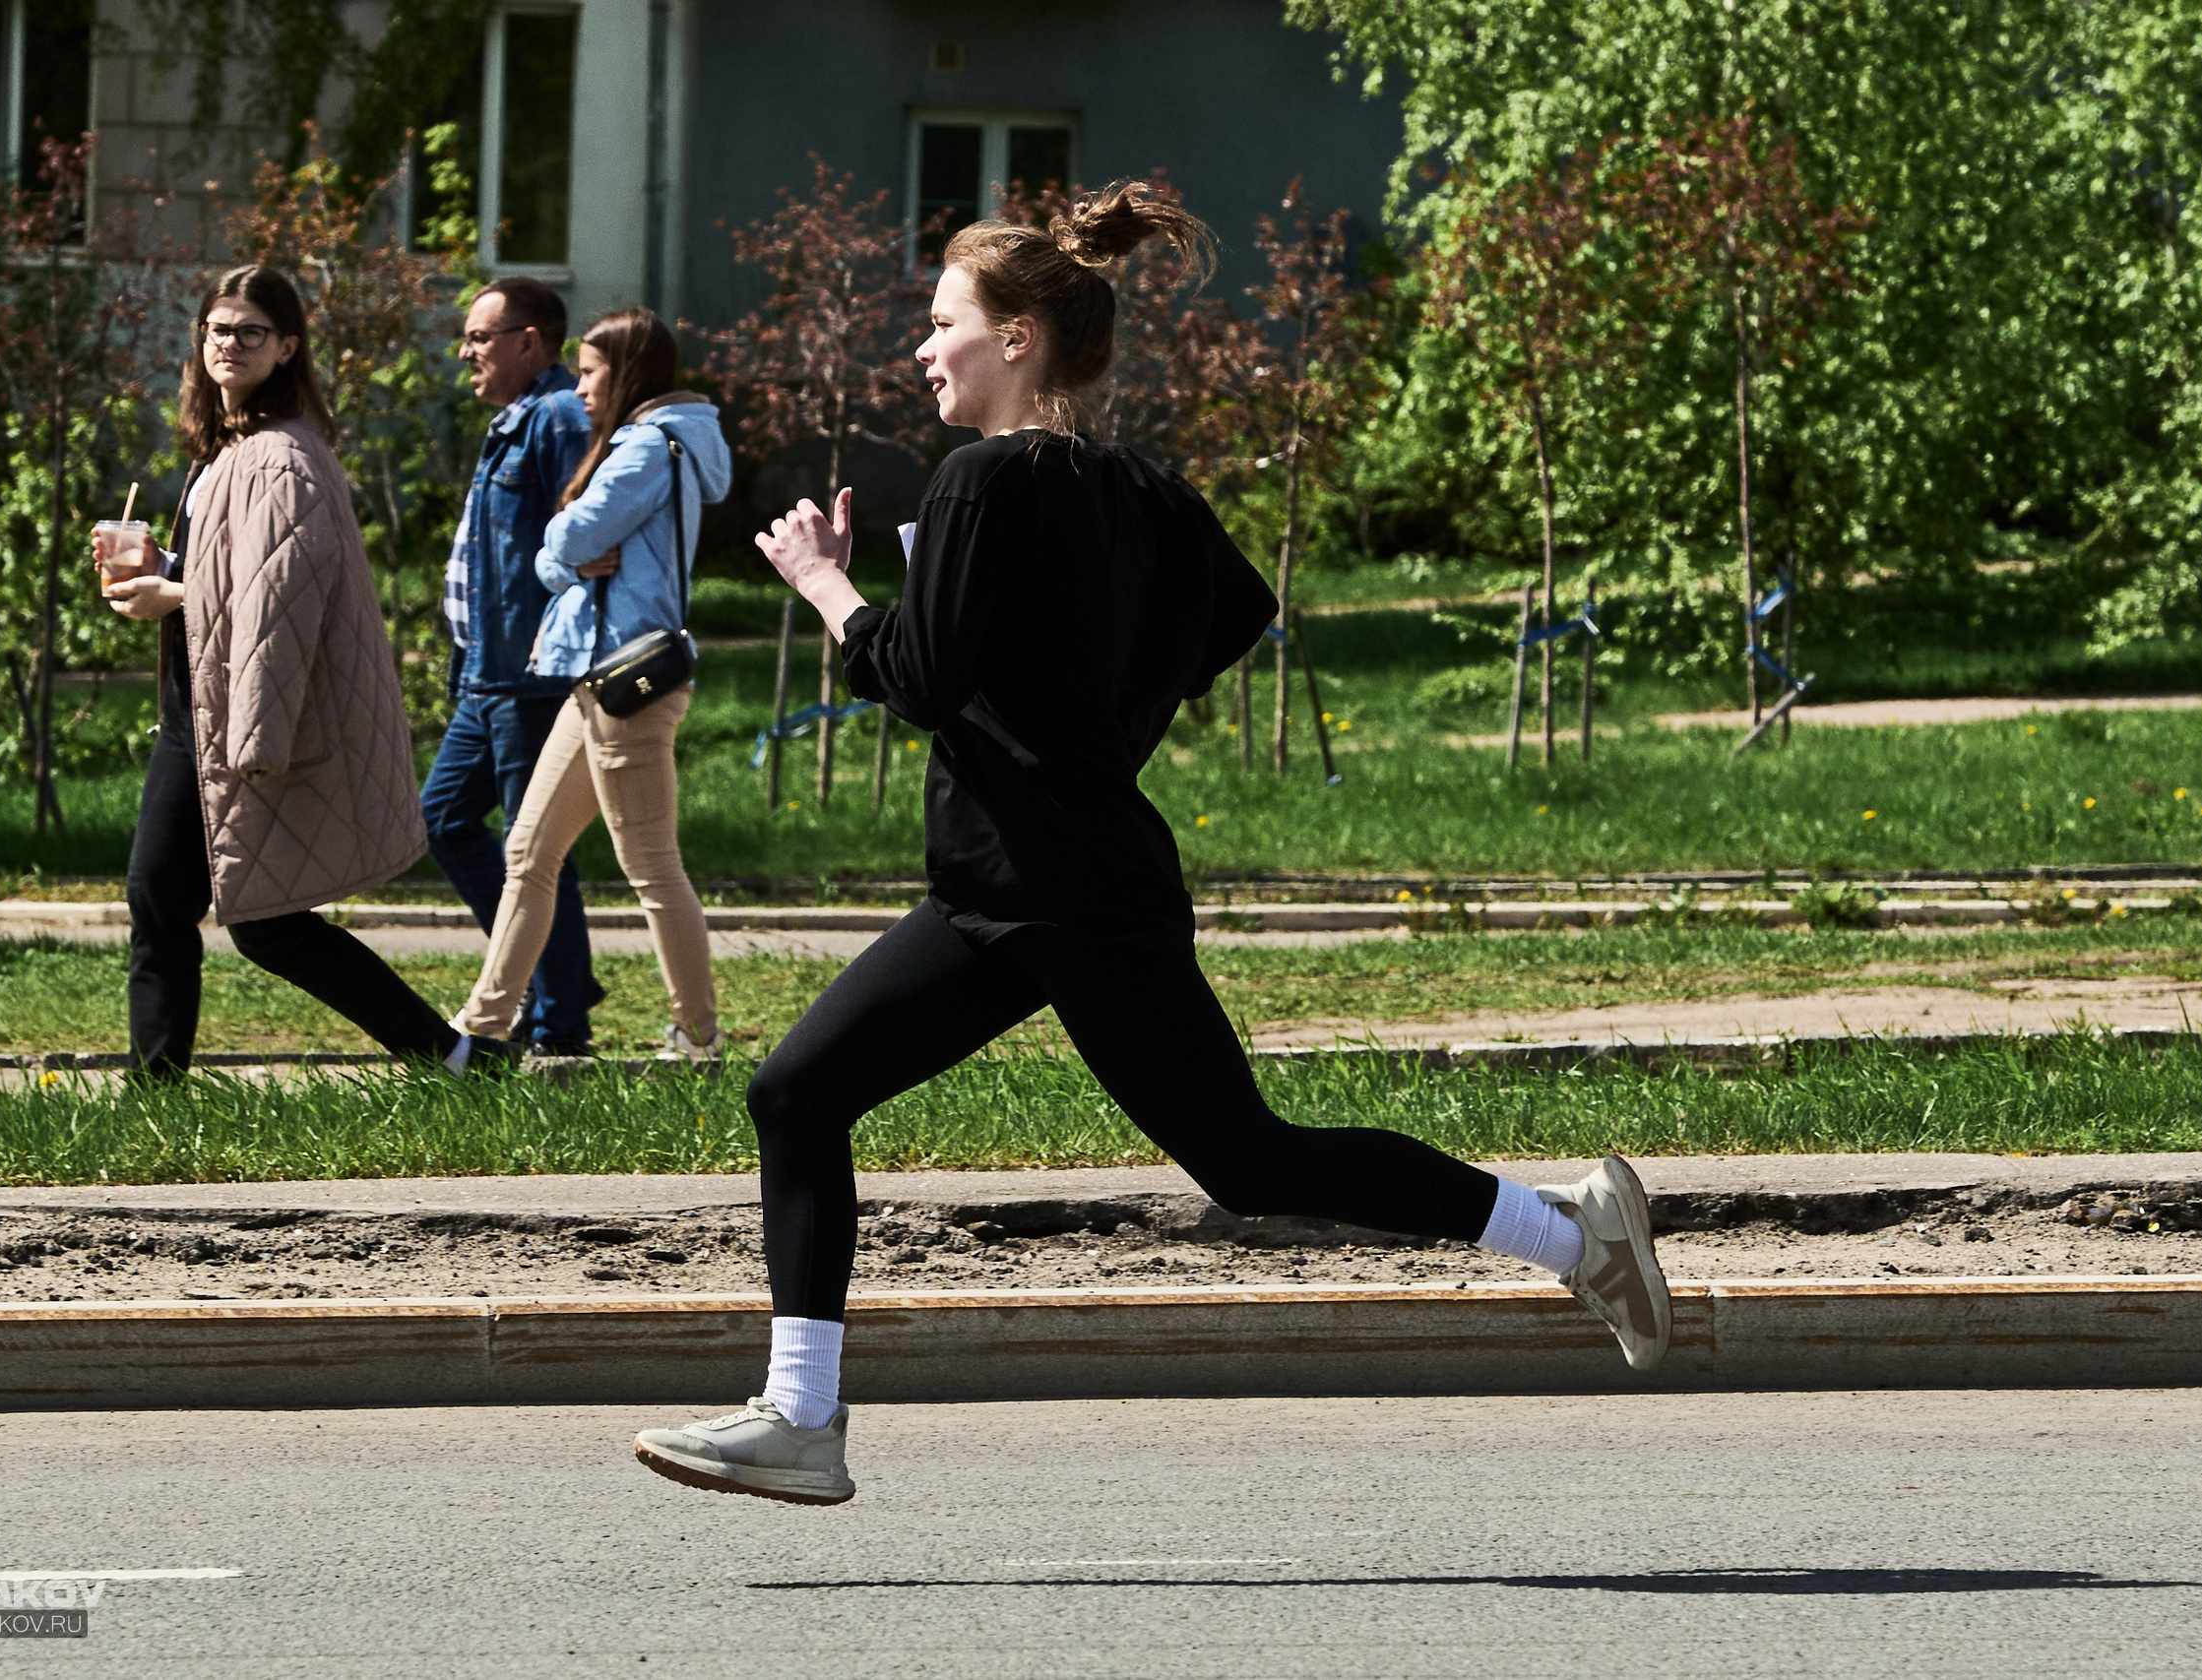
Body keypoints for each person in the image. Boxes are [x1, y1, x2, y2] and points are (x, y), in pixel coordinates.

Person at [628, 184, 1672, 1507]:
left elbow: (922, 677)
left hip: (1049, 891)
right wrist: (1095, 720)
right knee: (843, 1098)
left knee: (1220, 1154)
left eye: (942, 320)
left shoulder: (980, 479)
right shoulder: (1139, 491)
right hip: (1043, 884)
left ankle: (1570, 1227)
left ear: (1018, 338)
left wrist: (828, 583)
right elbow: (1235, 613)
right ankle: (800, 1413)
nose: (922, 347)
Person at [99, 264, 462, 1076]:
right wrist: (169, 564)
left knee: (261, 921)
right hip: (197, 707)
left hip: (235, 714)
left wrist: (174, 593)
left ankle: (450, 1054)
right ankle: (156, 1088)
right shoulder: (229, 447)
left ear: (287, 346)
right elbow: (237, 572)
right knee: (166, 901)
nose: (229, 344)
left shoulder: (279, 458)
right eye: (217, 330)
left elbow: (281, 597)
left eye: (250, 332)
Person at [446, 308, 729, 1071]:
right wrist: (564, 550)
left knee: (651, 867)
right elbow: (566, 551)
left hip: (626, 681)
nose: (578, 388)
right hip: (596, 678)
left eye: (592, 372)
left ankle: (699, 1038)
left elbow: (565, 538)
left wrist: (563, 546)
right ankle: (482, 1031)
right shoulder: (650, 445)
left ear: (628, 373)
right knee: (528, 850)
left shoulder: (644, 448)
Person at [418, 277, 604, 1057]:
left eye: (480, 337)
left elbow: (587, 533)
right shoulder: (513, 420)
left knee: (536, 847)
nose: (466, 352)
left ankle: (560, 1026)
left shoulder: (559, 418)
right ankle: (542, 983)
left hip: (530, 676)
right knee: (444, 817)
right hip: (484, 673)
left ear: (531, 342)